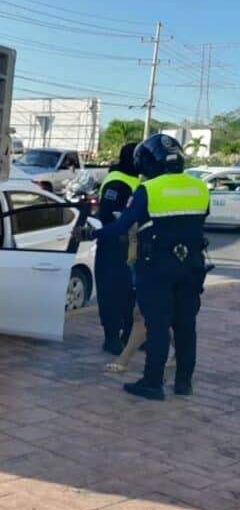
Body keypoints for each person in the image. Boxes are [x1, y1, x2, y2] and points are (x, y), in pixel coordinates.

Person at [84, 134, 209, 400]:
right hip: (192, 266)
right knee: (186, 325)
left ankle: (153, 383)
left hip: (157, 267)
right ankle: (183, 383)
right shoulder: (200, 187)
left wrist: (93, 234)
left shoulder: (149, 190)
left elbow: (121, 225)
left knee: (158, 324)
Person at [95, 143, 139, 355]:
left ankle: (130, 334)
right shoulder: (117, 181)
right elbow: (109, 215)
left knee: (132, 294)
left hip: (133, 246)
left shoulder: (138, 178)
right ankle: (111, 337)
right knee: (112, 293)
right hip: (114, 246)